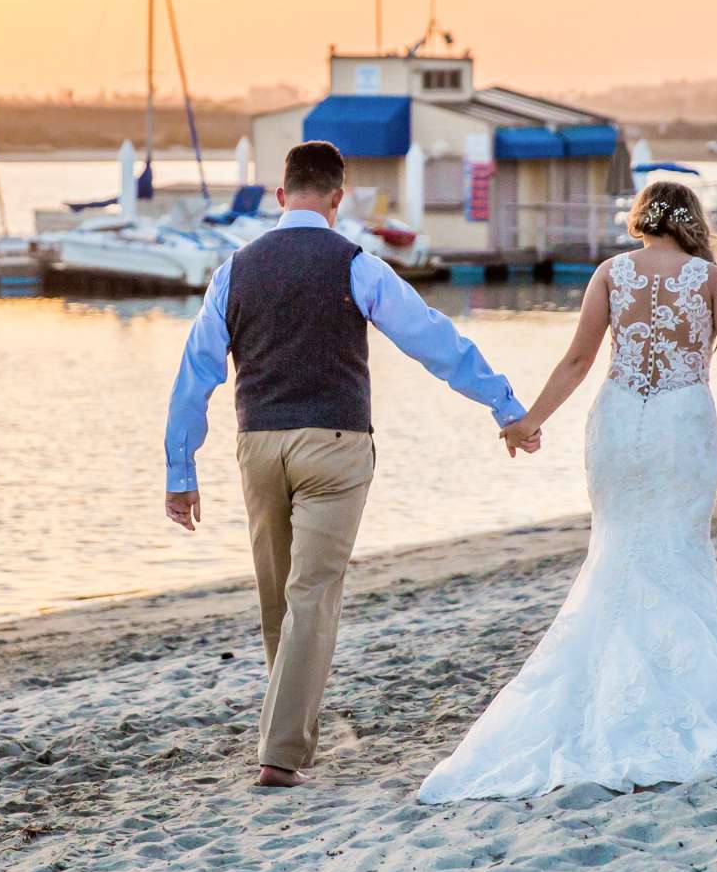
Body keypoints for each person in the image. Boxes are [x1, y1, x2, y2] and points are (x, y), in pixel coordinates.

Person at [418, 179, 717, 803]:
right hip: (681, 425)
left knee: (618, 553)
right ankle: (689, 691)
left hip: (618, 422)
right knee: (678, 553)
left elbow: (576, 363)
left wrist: (530, 420)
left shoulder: (611, 274)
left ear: (642, 218)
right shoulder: (711, 280)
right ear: (692, 220)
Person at [165, 140, 539, 789]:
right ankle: (281, 755)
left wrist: (180, 471)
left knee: (280, 599)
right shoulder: (356, 265)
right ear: (337, 200)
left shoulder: (234, 271)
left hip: (258, 446)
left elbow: (195, 373)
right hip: (335, 445)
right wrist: (503, 404)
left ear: (281, 197)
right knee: (311, 596)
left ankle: (286, 739)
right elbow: (433, 340)